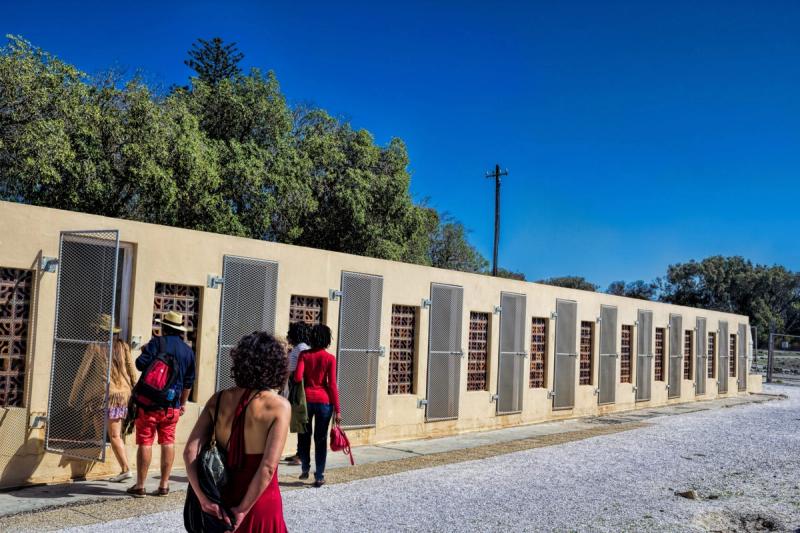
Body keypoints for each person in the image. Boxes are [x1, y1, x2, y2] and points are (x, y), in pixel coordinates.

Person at [184, 331, 290, 532]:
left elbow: (190, 452)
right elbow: (267, 468)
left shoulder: (219, 399)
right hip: (260, 502)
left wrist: (204, 499)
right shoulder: (279, 406)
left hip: (223, 499)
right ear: (276, 366)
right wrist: (242, 510)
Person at [127, 310, 195, 498]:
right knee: (168, 441)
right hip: (171, 406)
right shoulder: (188, 351)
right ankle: (164, 485)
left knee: (145, 442)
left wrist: (145, 351)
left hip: (148, 404)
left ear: (164, 327)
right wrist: (182, 404)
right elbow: (189, 382)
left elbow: (140, 365)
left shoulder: (157, 343)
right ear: (180, 330)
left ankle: (140, 485)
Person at [294, 324, 341, 487]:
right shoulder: (330, 358)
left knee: (304, 435)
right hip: (325, 402)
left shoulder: (304, 355)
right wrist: (338, 410)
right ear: (327, 339)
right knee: (320, 439)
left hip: (306, 400)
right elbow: (333, 385)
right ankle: (319, 475)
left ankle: (305, 467)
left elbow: (298, 377)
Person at [283, 321, 311, 466]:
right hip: (295, 383)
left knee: (301, 421)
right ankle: (299, 453)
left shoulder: (301, 348)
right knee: (300, 421)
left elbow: (300, 369)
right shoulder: (300, 348)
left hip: (297, 384)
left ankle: (301, 455)